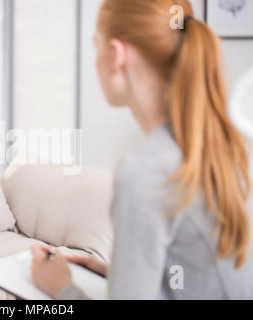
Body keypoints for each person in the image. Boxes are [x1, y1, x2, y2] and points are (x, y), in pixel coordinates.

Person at [31, 0, 253, 299]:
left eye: (96, 45)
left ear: (116, 54)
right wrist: (119, 272)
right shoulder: (213, 147)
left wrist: (60, 287)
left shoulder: (146, 172)